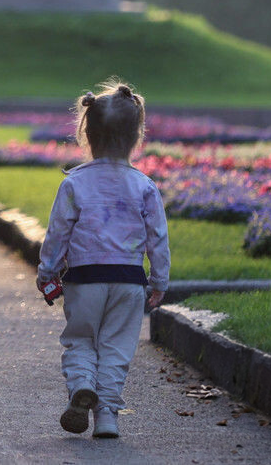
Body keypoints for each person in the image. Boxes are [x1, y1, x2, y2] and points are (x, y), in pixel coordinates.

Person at [36, 79, 171, 439]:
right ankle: (108, 416)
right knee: (116, 347)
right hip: (129, 281)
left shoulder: (74, 183)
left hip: (84, 279)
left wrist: (47, 271)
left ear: (87, 133)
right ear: (136, 136)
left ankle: (82, 384)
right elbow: (157, 238)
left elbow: (58, 233)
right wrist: (159, 281)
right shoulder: (144, 186)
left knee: (81, 339)